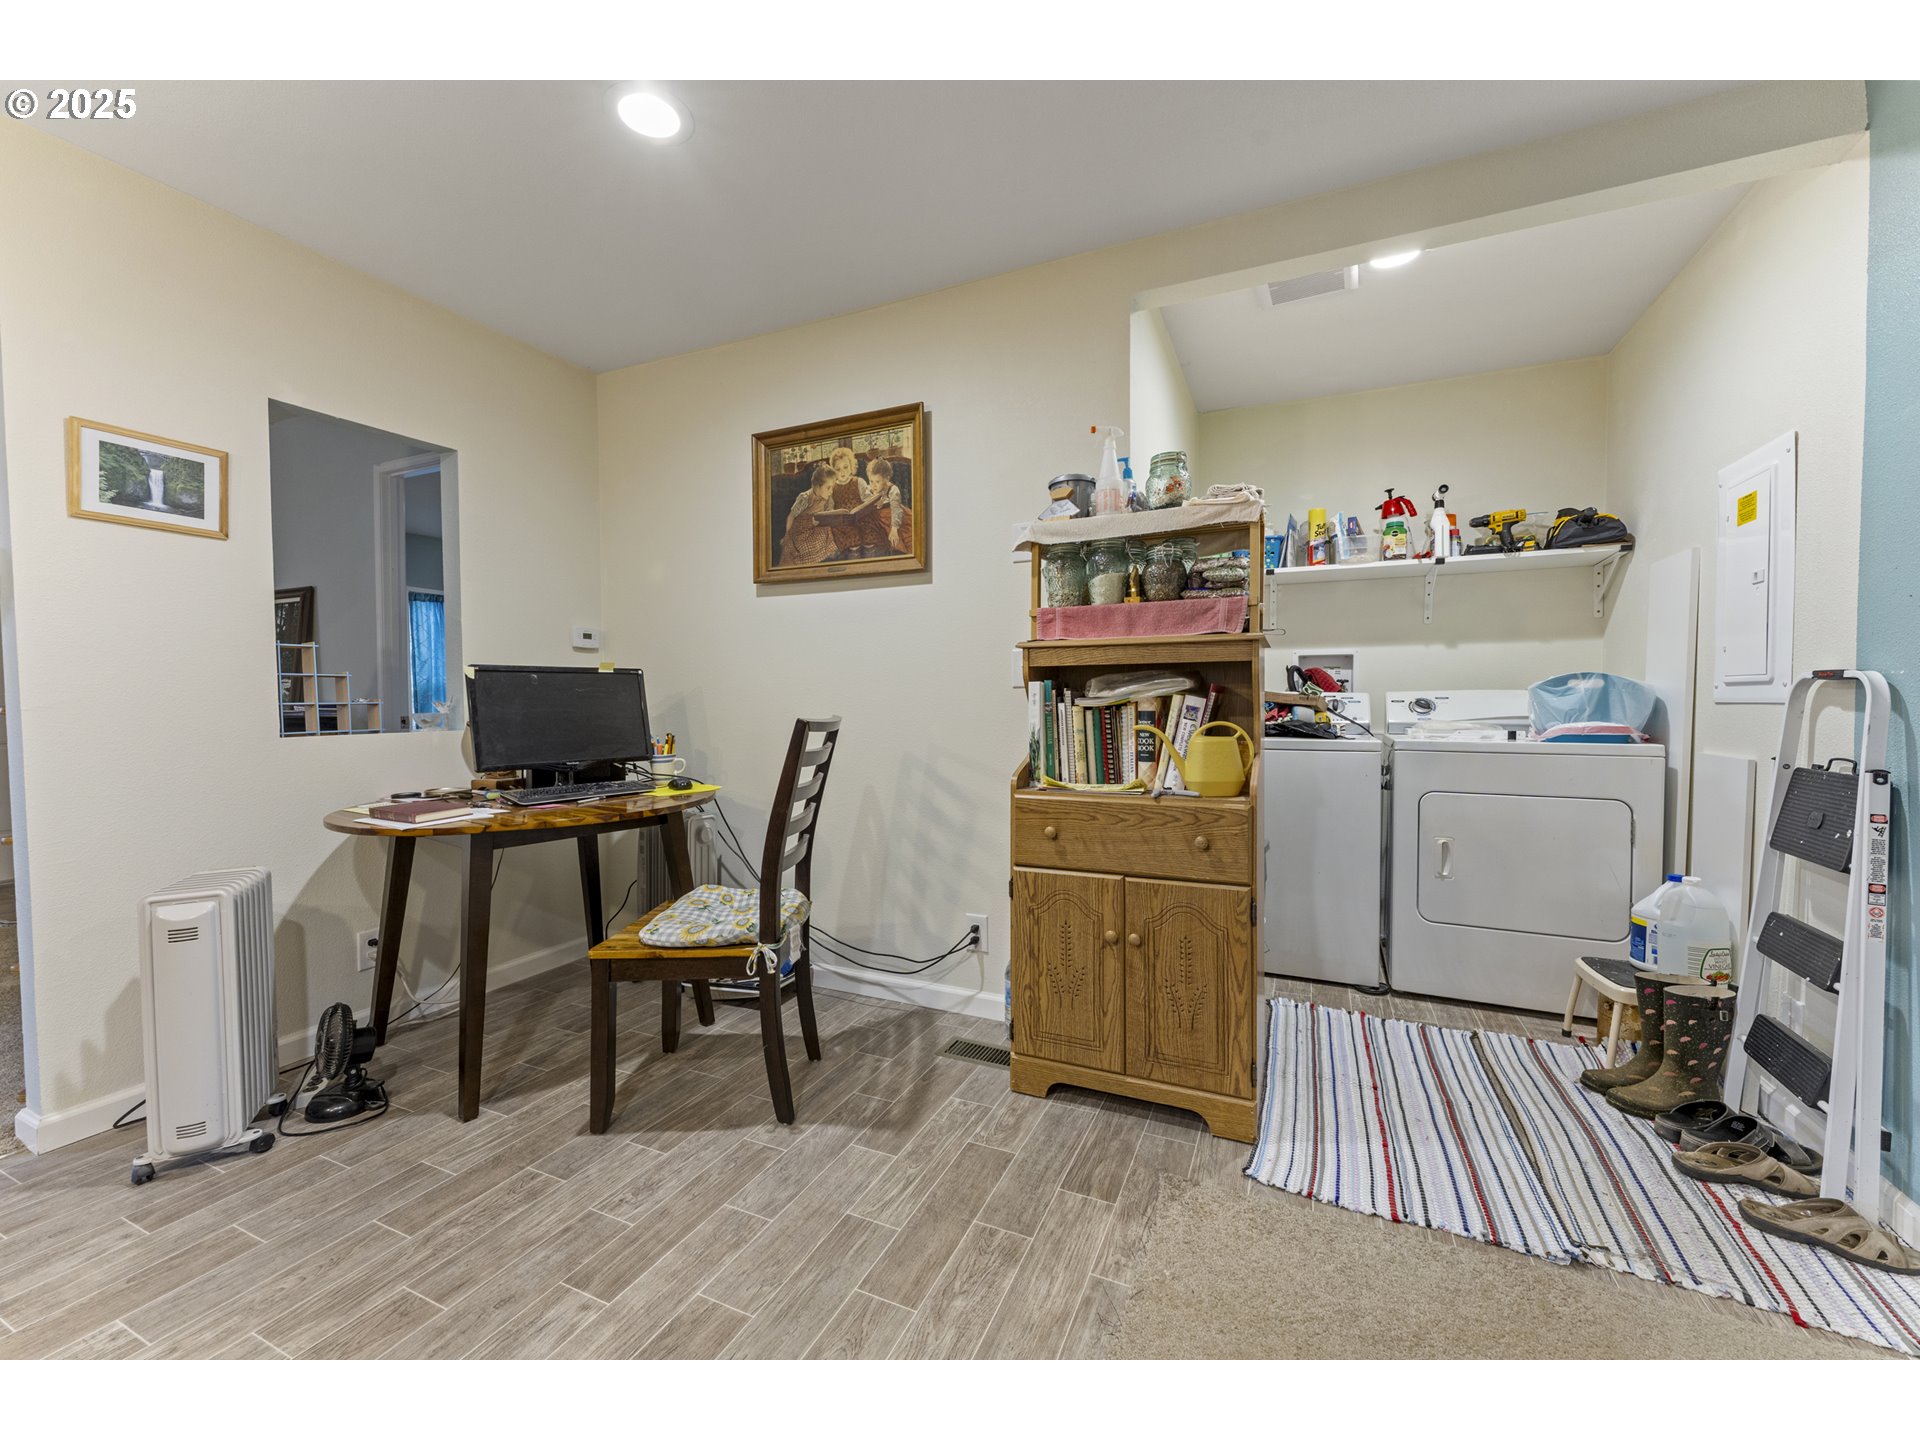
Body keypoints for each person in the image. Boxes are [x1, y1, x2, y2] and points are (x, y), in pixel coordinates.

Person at [779, 462, 841, 567]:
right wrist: (787, 535)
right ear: (817, 486)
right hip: (801, 529)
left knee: (826, 533)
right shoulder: (805, 498)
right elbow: (792, 516)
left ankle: (826, 554)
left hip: (817, 526)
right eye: (828, 487)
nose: (831, 491)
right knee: (800, 546)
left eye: (832, 488)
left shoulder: (828, 498)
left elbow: (829, 512)